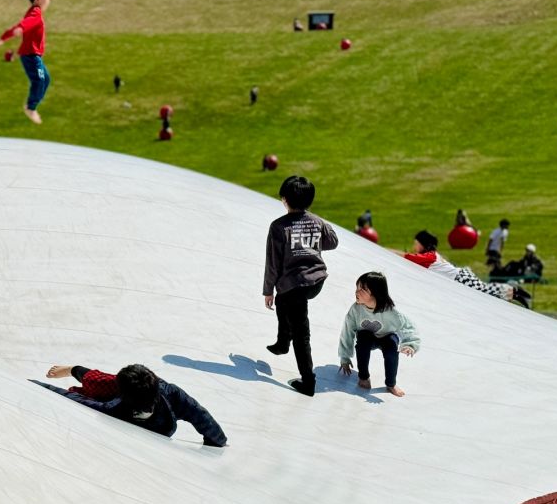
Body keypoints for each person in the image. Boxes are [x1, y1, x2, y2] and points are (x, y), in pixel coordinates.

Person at [263, 175, 338, 396]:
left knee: (301, 333)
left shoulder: (278, 226)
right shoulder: (317, 222)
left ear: (284, 199)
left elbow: (273, 263)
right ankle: (282, 342)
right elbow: (332, 241)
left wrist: (267, 290)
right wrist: (315, 226)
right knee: (283, 300)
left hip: (296, 283)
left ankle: (308, 382)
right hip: (316, 281)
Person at [33, 363, 227, 446]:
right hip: (160, 424)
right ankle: (73, 370)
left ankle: (74, 370)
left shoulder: (111, 409)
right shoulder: (168, 392)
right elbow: (200, 415)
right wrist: (216, 442)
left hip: (127, 410)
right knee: (102, 383)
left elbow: (74, 399)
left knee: (99, 385)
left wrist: (36, 385)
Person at [337, 272, 419, 397]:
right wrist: (345, 357)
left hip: (386, 337)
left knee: (392, 348)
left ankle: (391, 384)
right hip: (368, 338)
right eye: (357, 288)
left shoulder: (390, 311)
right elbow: (347, 331)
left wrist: (410, 344)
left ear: (375, 292)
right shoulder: (356, 309)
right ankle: (364, 377)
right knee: (363, 337)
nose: (356, 292)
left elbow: (408, 327)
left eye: (362, 289)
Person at [403, 230, 528, 306]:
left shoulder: (429, 256)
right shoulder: (431, 255)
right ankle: (514, 292)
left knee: (484, 290)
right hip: (461, 275)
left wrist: (386, 252)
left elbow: (408, 257)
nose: (414, 246)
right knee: (484, 289)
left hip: (460, 277)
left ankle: (514, 291)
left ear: (422, 244)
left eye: (416, 243)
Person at [0, 0, 51, 124]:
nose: (49, 1)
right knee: (40, 80)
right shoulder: (35, 12)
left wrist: (3, 38)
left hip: (34, 56)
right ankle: (31, 107)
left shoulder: (33, 11)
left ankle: (33, 103)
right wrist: (20, 29)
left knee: (45, 79)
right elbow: (26, 23)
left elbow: (21, 24)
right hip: (31, 57)